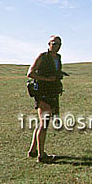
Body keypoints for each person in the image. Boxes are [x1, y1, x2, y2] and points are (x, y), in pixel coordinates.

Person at [26, 35, 63, 163]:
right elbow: (30, 73)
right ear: (49, 44)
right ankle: (41, 156)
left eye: (59, 44)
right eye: (54, 43)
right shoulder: (42, 56)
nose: (57, 46)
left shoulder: (58, 58)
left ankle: (33, 150)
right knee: (44, 123)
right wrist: (47, 79)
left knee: (42, 122)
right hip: (42, 93)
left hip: (53, 93)